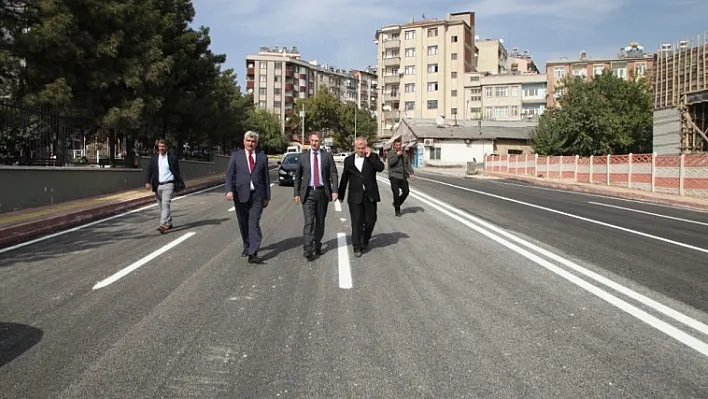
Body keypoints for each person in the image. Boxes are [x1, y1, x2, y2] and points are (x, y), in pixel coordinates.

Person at [225, 131, 271, 264]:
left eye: (253, 141)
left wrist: (267, 196)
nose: (251, 143)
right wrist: (229, 191)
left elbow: (266, 178)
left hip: (257, 195)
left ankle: (253, 252)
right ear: (244, 141)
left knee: (253, 223)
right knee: (243, 223)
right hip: (240, 195)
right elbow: (229, 175)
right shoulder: (236, 156)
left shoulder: (262, 157)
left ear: (256, 143)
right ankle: (247, 246)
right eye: (249, 141)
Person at [337, 136, 385, 258]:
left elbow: (380, 168)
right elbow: (344, 178)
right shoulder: (348, 160)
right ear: (354, 147)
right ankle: (357, 246)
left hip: (370, 195)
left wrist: (370, 156)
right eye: (358, 148)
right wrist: (340, 194)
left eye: (362, 148)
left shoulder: (372, 157)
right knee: (356, 222)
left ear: (366, 146)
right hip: (355, 196)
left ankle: (365, 239)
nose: (360, 150)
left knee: (371, 220)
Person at [293, 134, 338, 260]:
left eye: (316, 141)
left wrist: (335, 190)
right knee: (309, 221)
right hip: (308, 193)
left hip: (322, 192)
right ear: (309, 141)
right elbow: (297, 177)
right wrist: (296, 193)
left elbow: (333, 174)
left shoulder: (327, 156)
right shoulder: (303, 157)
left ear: (320, 142)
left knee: (320, 221)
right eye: (312, 140)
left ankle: (317, 244)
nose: (314, 143)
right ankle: (308, 247)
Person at [144, 139, 185, 233]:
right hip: (157, 185)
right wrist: (147, 182)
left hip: (169, 184)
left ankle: (162, 224)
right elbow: (149, 170)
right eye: (159, 146)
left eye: (163, 146)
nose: (161, 148)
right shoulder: (154, 158)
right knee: (162, 206)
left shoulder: (172, 157)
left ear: (167, 147)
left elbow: (176, 171)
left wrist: (178, 182)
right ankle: (169, 222)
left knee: (165, 204)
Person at [387, 138, 415, 217]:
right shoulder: (391, 153)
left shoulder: (404, 153)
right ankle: (397, 210)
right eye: (397, 145)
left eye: (399, 145)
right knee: (396, 193)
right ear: (394, 145)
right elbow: (390, 163)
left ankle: (397, 203)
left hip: (403, 176)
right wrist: (397, 155)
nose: (398, 146)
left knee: (406, 191)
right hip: (394, 175)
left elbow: (408, 163)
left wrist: (412, 173)